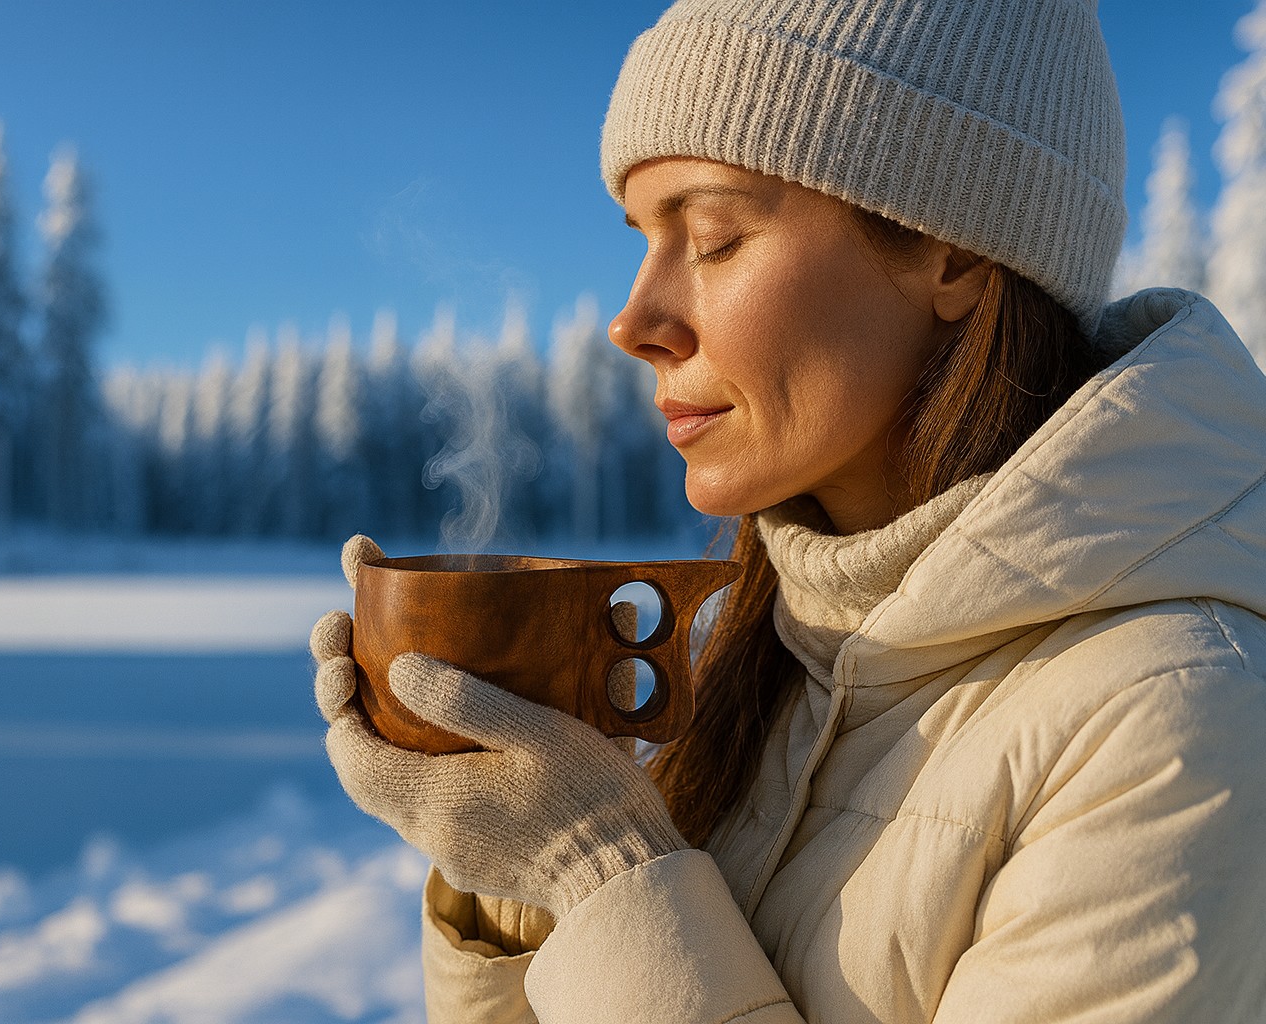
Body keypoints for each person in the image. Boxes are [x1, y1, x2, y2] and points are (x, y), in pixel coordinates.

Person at [310, 0, 1266, 1019]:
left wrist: (597, 868)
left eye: (713, 235)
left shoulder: (1175, 724)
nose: (633, 321)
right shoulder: (767, 653)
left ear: (953, 252)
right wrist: (515, 872)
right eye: (642, 238)